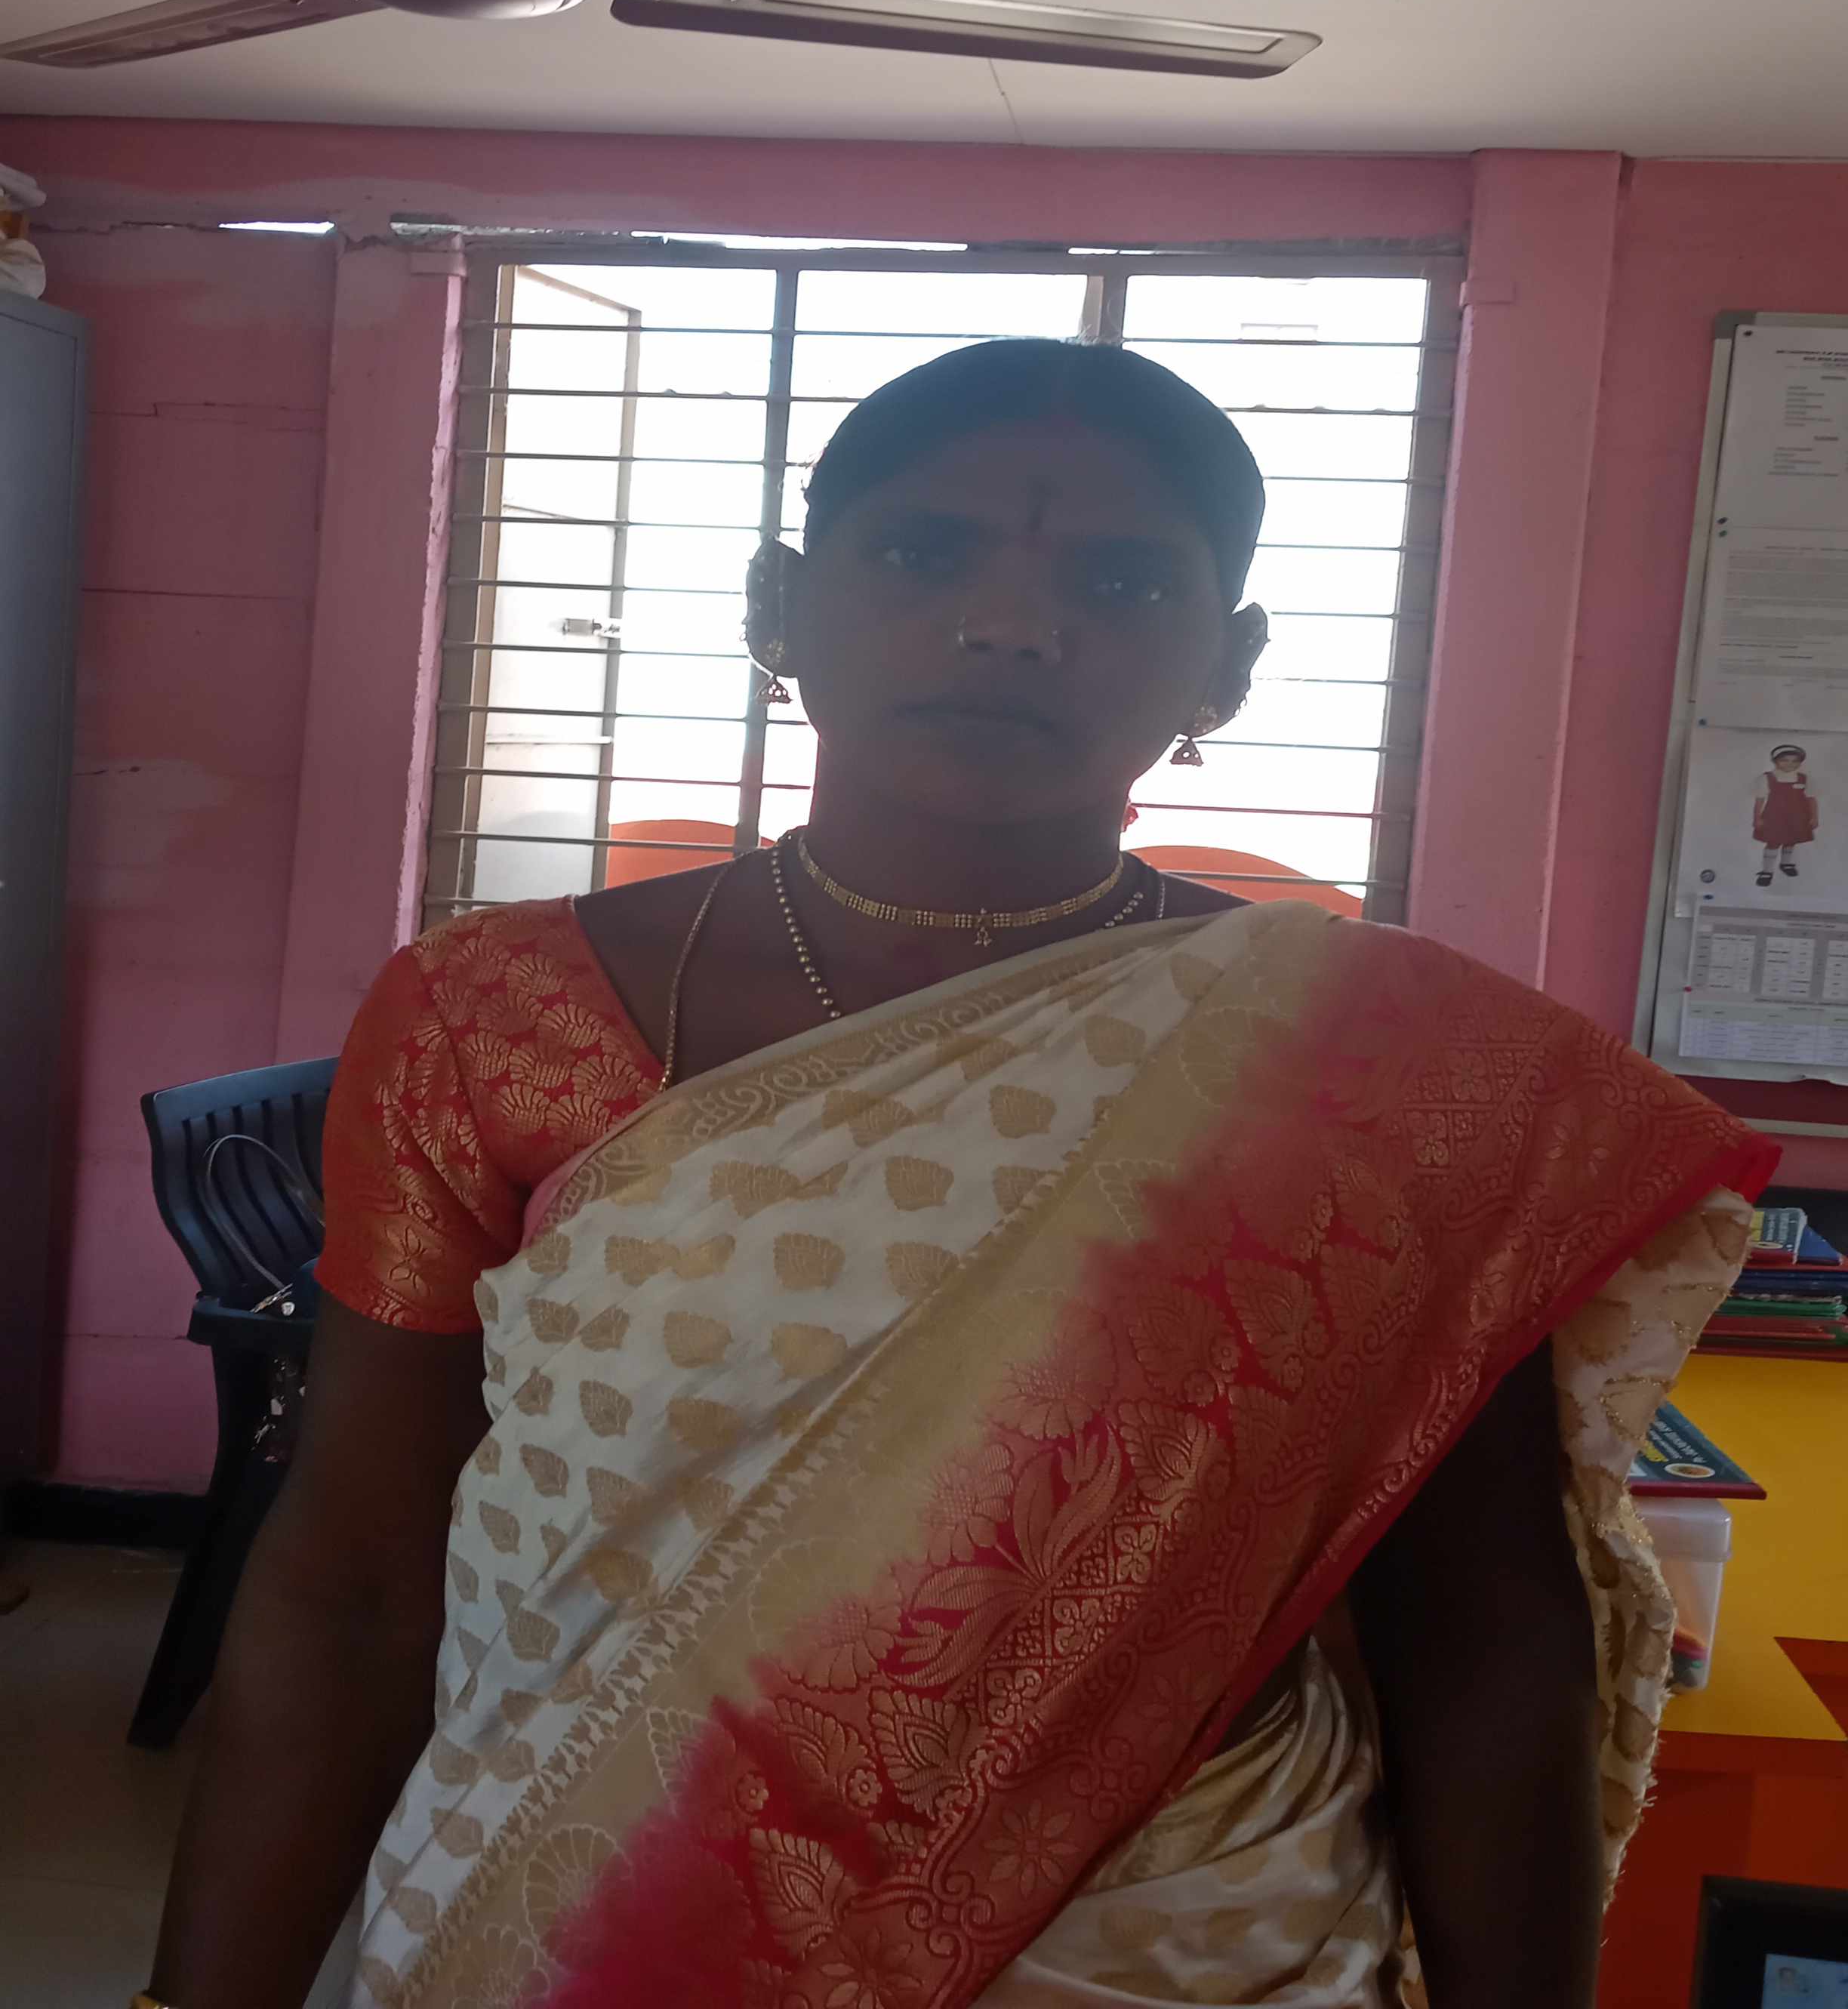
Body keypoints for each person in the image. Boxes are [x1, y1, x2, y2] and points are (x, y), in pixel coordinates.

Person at [143, 340, 1773, 2009]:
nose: (1011, 622)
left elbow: (1483, 1627)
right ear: (779, 605)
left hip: (1178, 1946)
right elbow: (352, 1578)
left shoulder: (1387, 1069)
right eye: (924, 551)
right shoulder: (493, 1015)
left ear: (1227, 666)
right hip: (591, 1919)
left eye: (1121, 579)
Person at [1754, 744, 1819, 885]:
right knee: (1773, 842)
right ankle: (1767, 871)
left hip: (1798, 817)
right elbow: (1760, 800)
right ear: (1775, 761)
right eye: (1785, 760)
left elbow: (1811, 799)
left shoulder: (1804, 779)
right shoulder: (1767, 778)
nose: (1790, 764)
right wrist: (1757, 818)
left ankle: (1786, 863)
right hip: (1775, 817)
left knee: (1791, 841)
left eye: (1795, 761)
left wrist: (1814, 817)